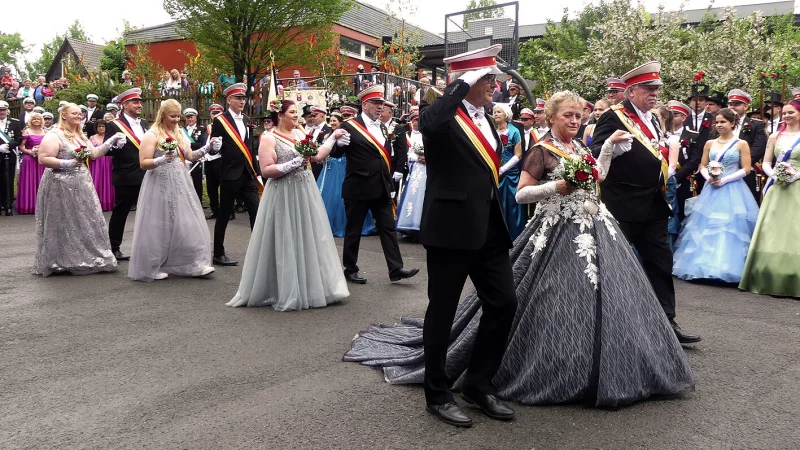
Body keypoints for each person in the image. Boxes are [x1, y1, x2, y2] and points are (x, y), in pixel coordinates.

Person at [590, 61, 701, 344]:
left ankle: (667, 323)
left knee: (660, 263)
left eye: (656, 89)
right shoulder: (614, 116)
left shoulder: (653, 118)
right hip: (622, 203)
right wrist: (613, 149)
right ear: (632, 91)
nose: (654, 94)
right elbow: (595, 153)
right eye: (649, 89)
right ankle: (605, 324)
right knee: (613, 267)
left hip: (653, 201)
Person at [227, 99, 350, 310]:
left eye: (297, 112)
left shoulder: (301, 134)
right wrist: (296, 162)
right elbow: (267, 170)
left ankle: (313, 286)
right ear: (280, 114)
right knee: (285, 236)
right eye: (292, 112)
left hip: (305, 191)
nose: (296, 115)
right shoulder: (269, 138)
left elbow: (317, 156)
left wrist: (333, 138)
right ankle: (283, 288)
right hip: (283, 193)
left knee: (309, 236)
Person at [329, 85, 419, 284]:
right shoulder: (349, 125)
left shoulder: (383, 127)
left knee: (388, 228)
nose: (380, 108)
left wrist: (392, 182)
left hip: (381, 187)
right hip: (358, 187)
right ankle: (350, 268)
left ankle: (396, 268)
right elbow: (335, 154)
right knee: (354, 230)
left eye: (382, 104)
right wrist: (338, 145)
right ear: (365, 104)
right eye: (376, 104)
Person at [34, 103, 126, 276]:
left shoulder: (80, 135)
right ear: (64, 116)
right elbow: (44, 159)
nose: (78, 116)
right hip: (60, 184)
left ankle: (86, 256)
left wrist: (111, 141)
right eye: (74, 113)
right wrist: (66, 163)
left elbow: (94, 154)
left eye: (80, 114)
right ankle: (61, 260)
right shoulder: (55, 135)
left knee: (85, 219)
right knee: (64, 221)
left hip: (82, 183)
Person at [128, 99, 215, 281]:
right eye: (172, 116)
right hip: (158, 182)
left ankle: (194, 263)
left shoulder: (180, 133)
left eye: (178, 116)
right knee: (159, 223)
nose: (176, 119)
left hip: (180, 181)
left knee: (186, 220)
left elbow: (190, 155)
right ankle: (153, 265)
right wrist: (161, 160)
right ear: (163, 115)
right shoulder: (152, 135)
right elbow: (143, 163)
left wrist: (207, 148)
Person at [672, 108, 758, 282]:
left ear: (733, 123)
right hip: (711, 188)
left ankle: (728, 267)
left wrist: (724, 180)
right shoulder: (709, 143)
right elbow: (702, 166)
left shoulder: (741, 143)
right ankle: (703, 266)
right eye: (717, 122)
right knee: (706, 224)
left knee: (729, 226)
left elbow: (746, 169)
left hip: (733, 188)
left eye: (723, 122)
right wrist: (709, 178)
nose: (719, 125)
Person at [740, 98, 800, 297]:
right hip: (777, 186)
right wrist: (775, 174)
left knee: (794, 228)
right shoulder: (775, 136)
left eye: (791, 112)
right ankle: (766, 274)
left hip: (797, 185)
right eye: (784, 113)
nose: (786, 116)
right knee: (773, 228)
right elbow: (765, 162)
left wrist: (795, 175)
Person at [210, 83, 261, 266]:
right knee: (224, 214)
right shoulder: (220, 120)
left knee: (256, 212)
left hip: (247, 173)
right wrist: (215, 147)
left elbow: (251, 148)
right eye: (238, 98)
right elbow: (214, 147)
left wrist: (257, 172)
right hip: (230, 174)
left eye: (243, 98)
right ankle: (218, 252)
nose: (242, 101)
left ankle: (259, 253)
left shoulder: (247, 120)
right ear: (229, 99)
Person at [104, 88, 149, 261]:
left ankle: (147, 246)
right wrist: (115, 145)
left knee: (149, 211)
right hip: (126, 175)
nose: (139, 105)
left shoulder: (144, 123)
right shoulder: (114, 124)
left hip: (146, 172)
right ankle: (114, 247)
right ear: (125, 105)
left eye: (140, 102)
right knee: (121, 212)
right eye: (135, 102)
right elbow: (107, 150)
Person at [316, 112, 377, 237]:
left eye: (335, 121)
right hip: (330, 167)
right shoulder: (328, 135)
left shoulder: (345, 133)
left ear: (340, 122)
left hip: (342, 166)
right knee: (329, 195)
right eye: (331, 120)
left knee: (340, 195)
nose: (332, 123)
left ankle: (346, 225)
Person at [665, 100, 701, 236]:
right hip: (663, 180)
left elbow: (694, 160)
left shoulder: (693, 135)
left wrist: (675, 178)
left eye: (675, 114)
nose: (671, 117)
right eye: (669, 114)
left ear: (684, 118)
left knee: (683, 213)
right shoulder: (661, 134)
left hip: (684, 179)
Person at [727, 89, 767, 203]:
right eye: (730, 104)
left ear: (745, 106)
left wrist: (739, 164)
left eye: (737, 104)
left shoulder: (756, 125)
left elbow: (758, 148)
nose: (732, 107)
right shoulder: (719, 124)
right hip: (723, 171)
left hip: (746, 172)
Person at [493, 102, 525, 240]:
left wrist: (503, 169)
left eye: (498, 112)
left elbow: (518, 155)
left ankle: (513, 237)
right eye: (494, 112)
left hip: (510, 176)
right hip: (494, 174)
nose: (495, 114)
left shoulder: (514, 132)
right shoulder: (492, 131)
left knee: (511, 206)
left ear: (506, 114)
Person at [395, 109, 425, 236]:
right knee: (410, 197)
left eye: (419, 120)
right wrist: (417, 158)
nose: (417, 123)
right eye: (414, 120)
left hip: (425, 171)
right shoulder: (406, 135)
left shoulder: (427, 135)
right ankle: (408, 226)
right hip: (412, 170)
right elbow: (405, 152)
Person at [16, 113, 47, 214]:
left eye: (38, 119)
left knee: (41, 180)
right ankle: (28, 205)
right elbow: (20, 147)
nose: (36, 120)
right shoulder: (27, 131)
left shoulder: (45, 132)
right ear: (31, 120)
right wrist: (30, 152)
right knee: (28, 181)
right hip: (29, 159)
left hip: (41, 159)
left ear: (41, 121)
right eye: (34, 119)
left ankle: (41, 206)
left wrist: (41, 151)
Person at [0, 101, 23, 216]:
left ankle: (8, 204)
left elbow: (19, 138)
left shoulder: (14, 123)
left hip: (10, 155)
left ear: (7, 110)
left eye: (3, 110)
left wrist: (8, 146)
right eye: (0, 110)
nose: (1, 112)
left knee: (8, 179)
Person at [87, 120, 115, 211]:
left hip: (108, 162)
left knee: (109, 181)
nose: (101, 128)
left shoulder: (110, 137)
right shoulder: (92, 138)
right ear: (96, 128)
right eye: (99, 126)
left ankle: (109, 202)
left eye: (103, 126)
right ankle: (96, 204)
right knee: (97, 181)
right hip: (97, 163)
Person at [204, 103, 225, 220]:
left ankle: (228, 210)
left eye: (218, 113)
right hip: (209, 160)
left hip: (220, 160)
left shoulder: (225, 126)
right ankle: (214, 209)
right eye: (214, 113)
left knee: (223, 187)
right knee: (211, 187)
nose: (216, 115)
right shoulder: (207, 128)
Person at [181, 108, 205, 203]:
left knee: (197, 181)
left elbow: (203, 144)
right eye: (187, 117)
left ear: (195, 118)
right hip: (184, 158)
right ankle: (185, 202)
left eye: (191, 117)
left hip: (196, 159)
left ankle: (198, 201)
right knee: (184, 181)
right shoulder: (181, 130)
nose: (190, 119)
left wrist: (190, 145)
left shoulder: (202, 130)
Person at [306, 105, 330, 179]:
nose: (312, 118)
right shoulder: (311, 130)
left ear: (322, 116)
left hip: (321, 165)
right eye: (312, 116)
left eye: (315, 115)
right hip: (311, 164)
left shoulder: (328, 130)